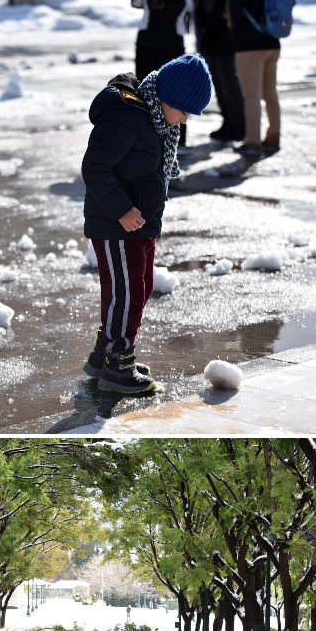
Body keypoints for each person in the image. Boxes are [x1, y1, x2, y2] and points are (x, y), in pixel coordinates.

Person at [81, 54, 213, 394]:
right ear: (164, 98)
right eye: (183, 111)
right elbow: (95, 168)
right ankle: (117, 363)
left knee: (141, 286)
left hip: (140, 223)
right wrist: (123, 210)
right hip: (116, 223)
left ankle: (105, 354)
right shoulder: (128, 118)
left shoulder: (156, 121)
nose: (184, 121)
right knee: (124, 293)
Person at [132, 0, 195, 148]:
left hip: (148, 42)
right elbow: (193, 7)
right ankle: (178, 140)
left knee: (145, 89)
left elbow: (135, 2)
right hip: (172, 43)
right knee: (176, 90)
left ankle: (144, 137)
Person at [228, 0, 282, 158]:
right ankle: (273, 137)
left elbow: (235, 15)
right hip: (272, 43)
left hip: (249, 48)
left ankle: (252, 142)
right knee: (270, 94)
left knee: (251, 97)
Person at [194, 0, 245, 143]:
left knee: (230, 87)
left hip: (225, 46)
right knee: (220, 88)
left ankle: (239, 127)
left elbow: (225, 12)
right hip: (210, 45)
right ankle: (228, 123)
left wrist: (205, 26)